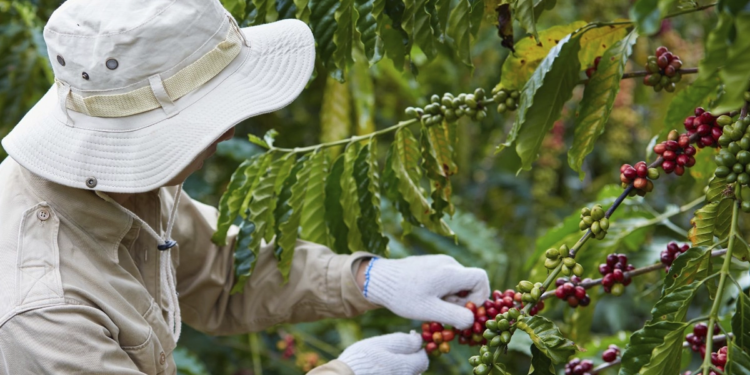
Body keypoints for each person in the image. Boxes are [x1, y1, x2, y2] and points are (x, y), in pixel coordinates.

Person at [0, 0, 490, 373]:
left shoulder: (115, 188)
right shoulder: (44, 314)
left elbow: (218, 270)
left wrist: (367, 278)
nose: (228, 132)